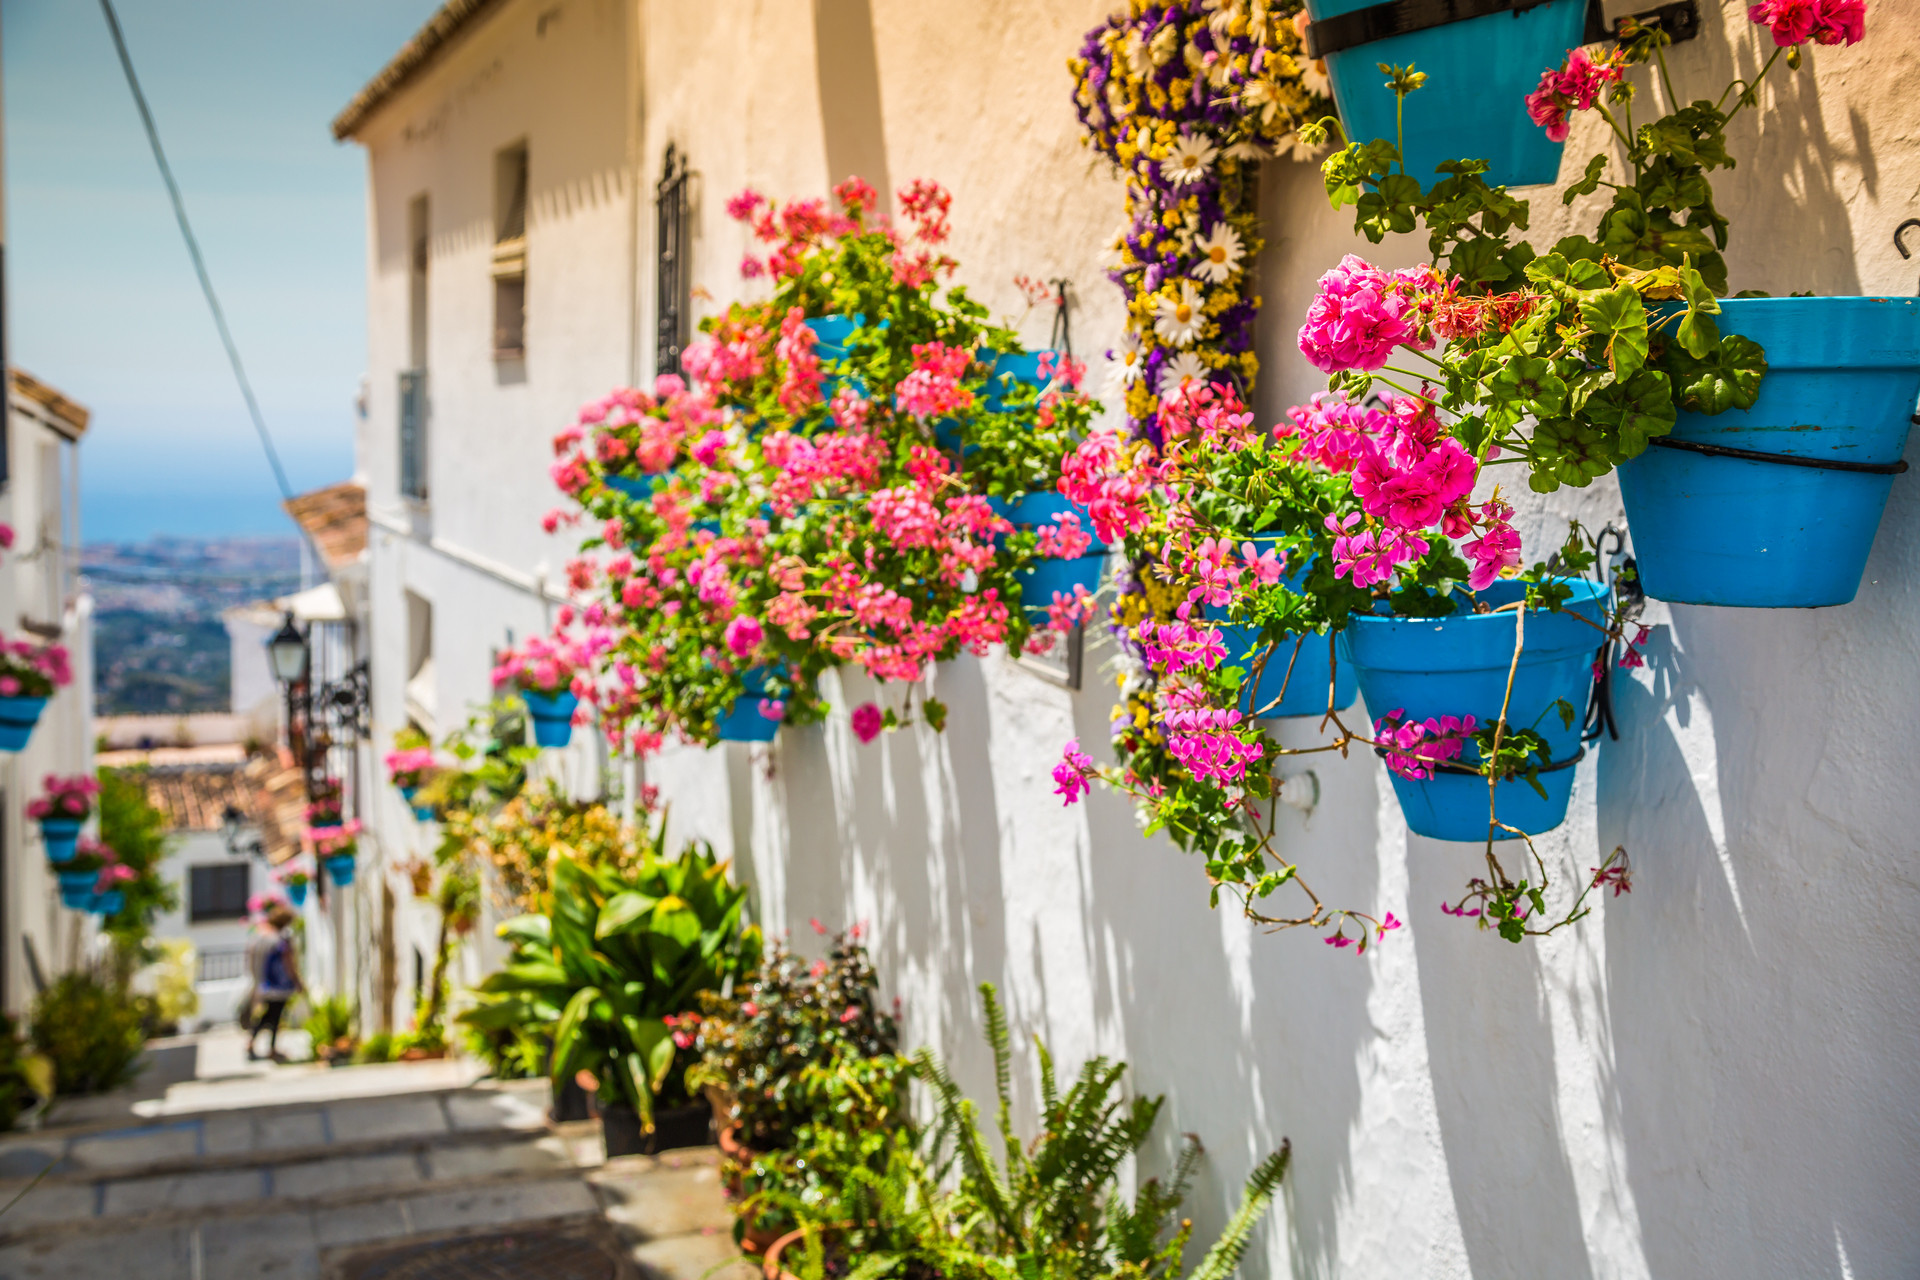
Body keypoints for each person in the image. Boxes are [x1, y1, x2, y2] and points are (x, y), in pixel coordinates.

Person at [246, 903, 304, 1062]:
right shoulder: (281, 940)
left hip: (265, 984)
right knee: (275, 1016)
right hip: (279, 984)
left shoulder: (261, 937)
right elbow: (289, 963)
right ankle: (270, 1048)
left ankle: (253, 1042)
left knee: (268, 1015)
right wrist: (297, 981)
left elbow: (251, 960)